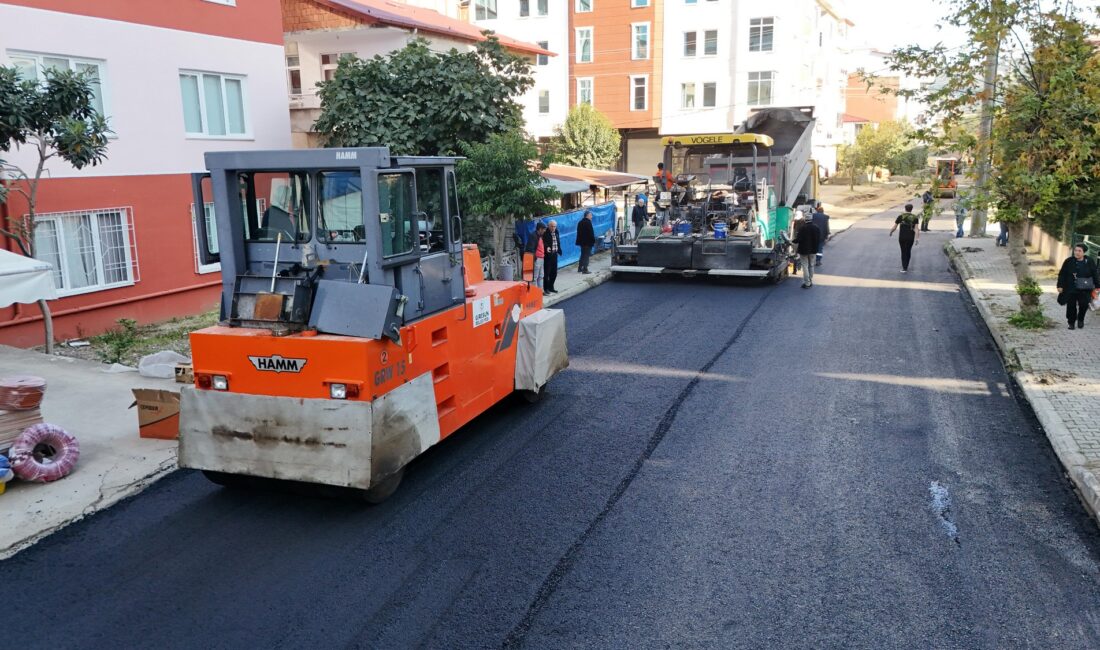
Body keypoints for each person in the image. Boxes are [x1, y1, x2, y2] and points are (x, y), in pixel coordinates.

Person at [1057, 243, 1099, 330]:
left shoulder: (1089, 261)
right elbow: (1062, 274)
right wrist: (1060, 285)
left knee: (1084, 305)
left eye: (1079, 251)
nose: (1077, 252)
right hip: (1071, 287)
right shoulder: (1068, 261)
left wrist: (1098, 286)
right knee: (1071, 306)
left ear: (1084, 252)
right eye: (1075, 250)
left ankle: (1080, 319)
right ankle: (1071, 323)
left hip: (1085, 288)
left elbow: (1095, 273)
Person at [792, 213, 821, 289]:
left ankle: (807, 283)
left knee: (805, 266)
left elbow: (798, 239)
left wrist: (792, 241)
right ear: (811, 219)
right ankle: (810, 281)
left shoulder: (802, 228)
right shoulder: (816, 228)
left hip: (804, 251)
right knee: (811, 265)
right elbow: (819, 239)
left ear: (805, 220)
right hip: (813, 250)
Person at [889, 204, 921, 273]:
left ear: (905, 209)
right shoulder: (915, 217)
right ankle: (906, 266)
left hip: (902, 237)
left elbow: (894, 227)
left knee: (903, 251)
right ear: (911, 209)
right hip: (910, 237)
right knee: (908, 251)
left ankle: (904, 267)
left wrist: (891, 232)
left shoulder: (901, 216)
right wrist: (917, 238)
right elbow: (916, 229)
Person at [542, 219, 561, 294]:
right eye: (552, 226)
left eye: (555, 226)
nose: (553, 228)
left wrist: (559, 250)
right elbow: (543, 242)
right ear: (548, 226)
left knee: (554, 272)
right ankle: (546, 288)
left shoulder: (556, 231)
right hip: (548, 255)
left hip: (554, 254)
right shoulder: (545, 233)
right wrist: (546, 247)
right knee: (547, 273)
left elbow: (558, 241)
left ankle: (551, 287)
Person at [527, 222, 546, 289]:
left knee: (541, 276)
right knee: (535, 277)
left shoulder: (540, 236)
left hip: (541, 258)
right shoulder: (533, 236)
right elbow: (530, 248)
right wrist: (535, 258)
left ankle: (540, 292)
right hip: (537, 259)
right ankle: (534, 294)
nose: (544, 231)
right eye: (543, 229)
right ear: (540, 229)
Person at [576, 210, 596, 274]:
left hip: (582, 242)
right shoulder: (588, 222)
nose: (591, 217)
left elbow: (579, 233)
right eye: (591, 215)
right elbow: (591, 233)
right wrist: (593, 241)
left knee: (582, 255)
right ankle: (585, 269)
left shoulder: (580, 222)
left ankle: (580, 268)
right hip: (588, 242)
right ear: (587, 215)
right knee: (586, 256)